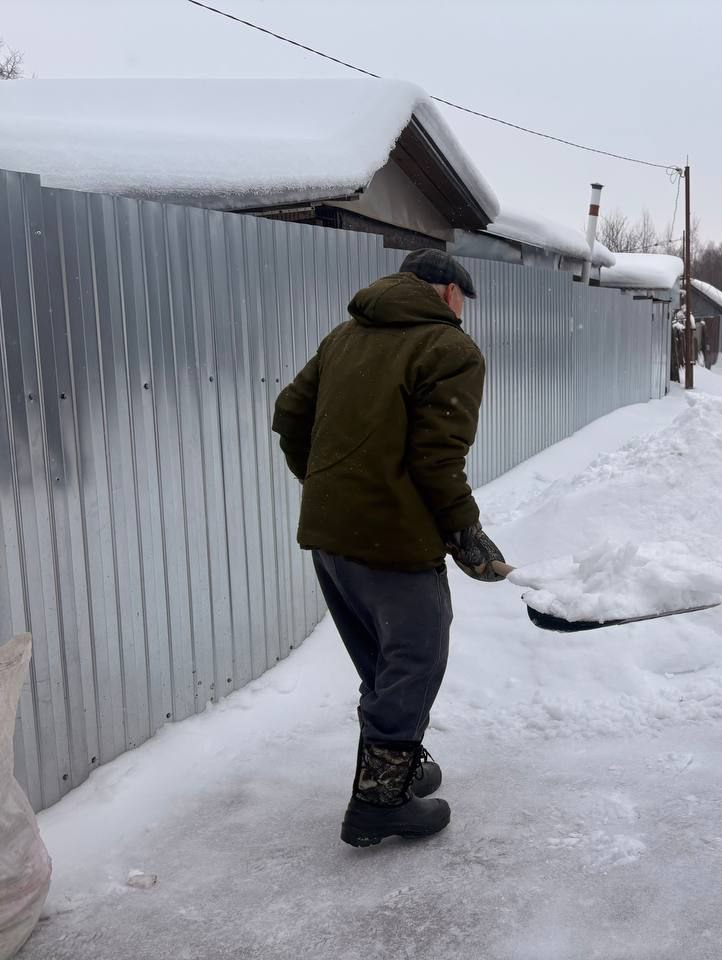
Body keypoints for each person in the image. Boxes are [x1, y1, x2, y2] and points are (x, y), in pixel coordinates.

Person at [272, 249, 508, 847]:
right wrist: (466, 535)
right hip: (393, 541)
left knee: (382, 662)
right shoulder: (449, 348)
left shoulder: (345, 336)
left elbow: (289, 414)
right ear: (447, 292)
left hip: (330, 535)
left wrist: (327, 485)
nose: (462, 311)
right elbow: (437, 459)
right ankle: (379, 802)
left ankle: (399, 763)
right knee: (415, 658)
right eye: (462, 299)